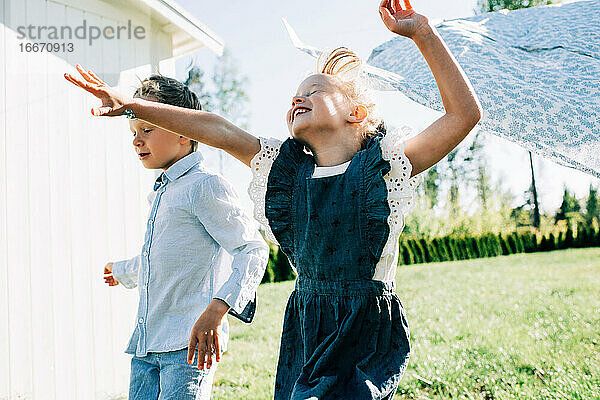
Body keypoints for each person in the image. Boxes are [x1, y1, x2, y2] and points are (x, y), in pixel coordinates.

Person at [65, 1, 482, 397]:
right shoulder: (283, 171)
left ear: (355, 114)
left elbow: (463, 116)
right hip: (307, 320)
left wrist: (422, 32)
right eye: (294, 95)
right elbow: (218, 129)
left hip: (364, 325)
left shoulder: (384, 167)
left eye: (315, 90)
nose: (298, 98)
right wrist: (129, 105)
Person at [100, 75, 269, 400]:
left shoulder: (204, 185)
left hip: (188, 344)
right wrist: (121, 270)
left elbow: (252, 250)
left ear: (183, 131)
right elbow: (162, 260)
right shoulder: (164, 191)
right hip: (147, 342)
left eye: (147, 130)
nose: (136, 141)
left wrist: (217, 309)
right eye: (133, 133)